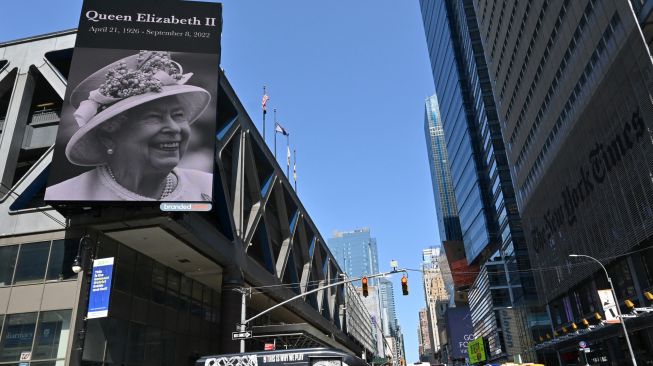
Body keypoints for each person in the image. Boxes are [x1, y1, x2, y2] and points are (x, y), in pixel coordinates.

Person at [45, 50, 213, 201]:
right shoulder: (64, 195)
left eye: (178, 116)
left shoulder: (207, 188)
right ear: (107, 137)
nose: (175, 128)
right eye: (153, 117)